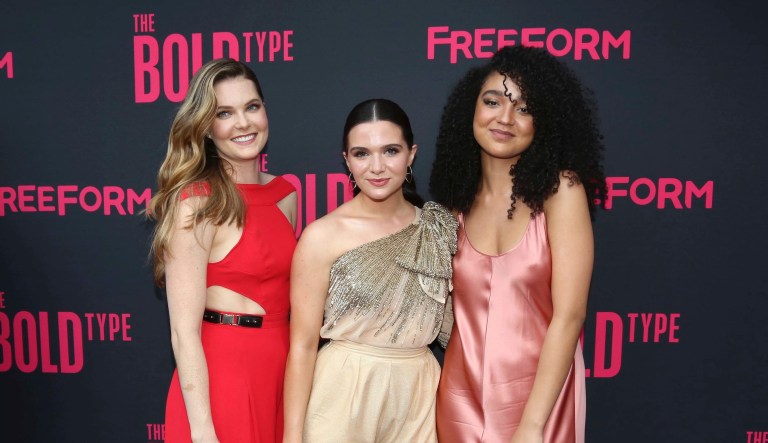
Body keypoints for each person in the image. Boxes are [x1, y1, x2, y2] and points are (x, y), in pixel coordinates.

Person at [430, 45, 606, 443]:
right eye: (492, 101)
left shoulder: (561, 191)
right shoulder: (452, 206)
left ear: (543, 122)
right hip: (460, 397)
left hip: (541, 400)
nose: (505, 118)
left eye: (524, 108)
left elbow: (570, 315)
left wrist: (532, 426)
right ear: (470, 110)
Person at [283, 98, 457, 443]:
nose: (376, 167)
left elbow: (457, 331)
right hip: (343, 391)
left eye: (390, 150)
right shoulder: (323, 235)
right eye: (362, 153)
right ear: (347, 160)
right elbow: (302, 346)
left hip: (420, 391)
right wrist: (292, 436)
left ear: (411, 154)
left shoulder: (439, 227)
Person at [148, 58, 297, 443]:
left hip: (282, 374)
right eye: (224, 113)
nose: (244, 123)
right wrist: (202, 431)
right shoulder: (196, 203)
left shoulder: (285, 195)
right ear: (207, 129)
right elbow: (183, 333)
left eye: (252, 107)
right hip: (221, 380)